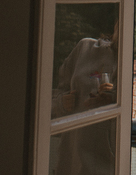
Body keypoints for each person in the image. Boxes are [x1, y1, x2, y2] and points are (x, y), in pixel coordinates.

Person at [52, 19, 119, 175]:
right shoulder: (85, 48)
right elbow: (50, 95)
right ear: (116, 24)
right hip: (72, 161)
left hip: (110, 164)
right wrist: (63, 102)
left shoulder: (132, 63)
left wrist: (114, 99)